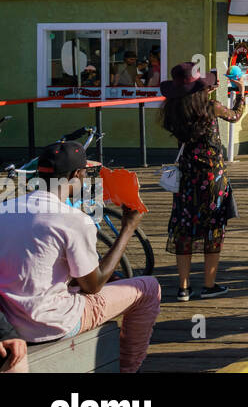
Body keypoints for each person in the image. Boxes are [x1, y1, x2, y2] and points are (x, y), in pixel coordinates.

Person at [0, 139, 162, 373]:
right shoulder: (72, 219)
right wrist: (128, 227)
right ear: (77, 174)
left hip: (9, 323)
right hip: (53, 323)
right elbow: (93, 285)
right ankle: (127, 368)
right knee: (148, 288)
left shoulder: (6, 209)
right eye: (85, 174)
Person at [161, 62, 243, 300]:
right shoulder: (211, 107)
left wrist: (199, 91)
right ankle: (209, 285)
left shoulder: (172, 111)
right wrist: (241, 93)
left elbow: (189, 104)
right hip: (212, 177)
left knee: (184, 230)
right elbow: (235, 116)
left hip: (187, 177)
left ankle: (183, 288)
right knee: (213, 230)